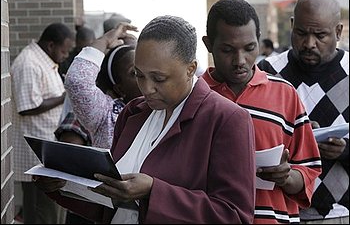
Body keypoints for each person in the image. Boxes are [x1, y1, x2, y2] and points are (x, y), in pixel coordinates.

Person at [34, 16, 256, 224]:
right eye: (139, 75)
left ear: (190, 69)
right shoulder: (134, 112)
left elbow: (234, 215)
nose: (147, 89)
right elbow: (111, 207)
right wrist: (62, 186)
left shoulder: (227, 120)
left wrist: (154, 191)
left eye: (159, 78)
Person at [201, 0, 322, 223]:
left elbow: (308, 172)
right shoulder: (193, 95)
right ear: (208, 44)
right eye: (227, 50)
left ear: (258, 41)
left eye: (249, 48)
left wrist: (286, 176)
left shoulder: (286, 94)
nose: (240, 61)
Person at [258, 0, 349, 224]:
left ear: (338, 31)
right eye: (301, 33)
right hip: (280, 213)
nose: (309, 43)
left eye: (320, 35)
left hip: (340, 214)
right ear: (291, 24)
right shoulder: (268, 72)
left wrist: (344, 150)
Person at [11, 22, 74, 224]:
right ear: (50, 46)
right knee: (42, 215)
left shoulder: (43, 60)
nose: (65, 56)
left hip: (47, 150)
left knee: (53, 214)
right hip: (36, 156)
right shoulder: (29, 63)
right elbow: (27, 106)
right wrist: (64, 97)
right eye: (64, 51)